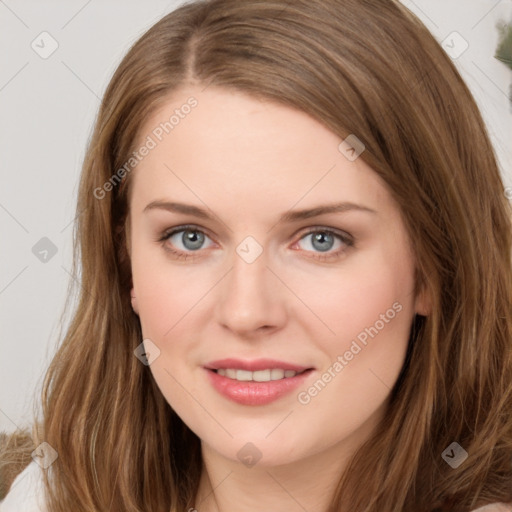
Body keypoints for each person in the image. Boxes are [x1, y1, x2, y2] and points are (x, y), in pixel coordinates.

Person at [1, 0, 512, 510]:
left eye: (321, 239)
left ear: (431, 267)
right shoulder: (38, 496)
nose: (246, 312)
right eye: (190, 237)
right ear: (125, 259)